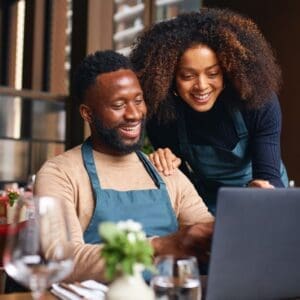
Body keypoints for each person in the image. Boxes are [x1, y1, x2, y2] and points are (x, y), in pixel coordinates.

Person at [34, 50, 214, 282]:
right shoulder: (60, 173)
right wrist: (159, 246)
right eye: (119, 105)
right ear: (87, 113)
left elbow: (206, 234)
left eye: (138, 101)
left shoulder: (164, 169)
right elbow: (61, 258)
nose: (134, 114)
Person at [130, 7, 288, 214]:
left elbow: (269, 176)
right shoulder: (163, 115)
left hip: (263, 195)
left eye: (213, 73)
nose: (202, 86)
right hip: (208, 202)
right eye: (188, 76)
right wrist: (166, 165)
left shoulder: (257, 102)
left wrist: (260, 190)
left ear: (228, 70)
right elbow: (183, 189)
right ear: (168, 79)